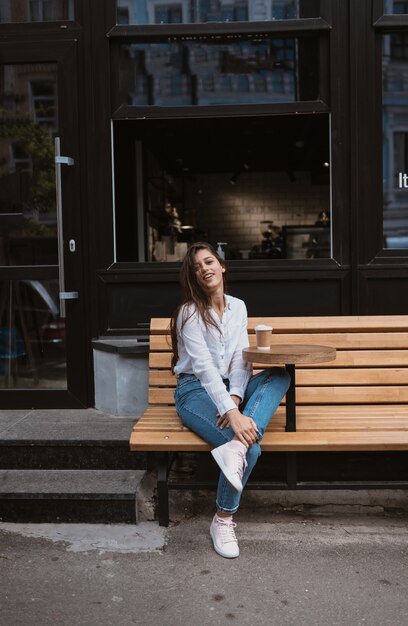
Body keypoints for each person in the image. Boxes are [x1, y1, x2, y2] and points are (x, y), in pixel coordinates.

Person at [170, 242, 290, 559]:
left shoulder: (238, 306)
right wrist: (231, 413)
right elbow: (205, 370)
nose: (204, 268)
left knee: (279, 376)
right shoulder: (189, 313)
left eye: (209, 261)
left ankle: (235, 448)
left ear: (222, 266)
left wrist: (236, 399)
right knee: (254, 445)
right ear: (194, 277)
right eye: (197, 267)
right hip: (194, 390)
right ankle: (223, 518)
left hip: (229, 388)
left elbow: (241, 359)